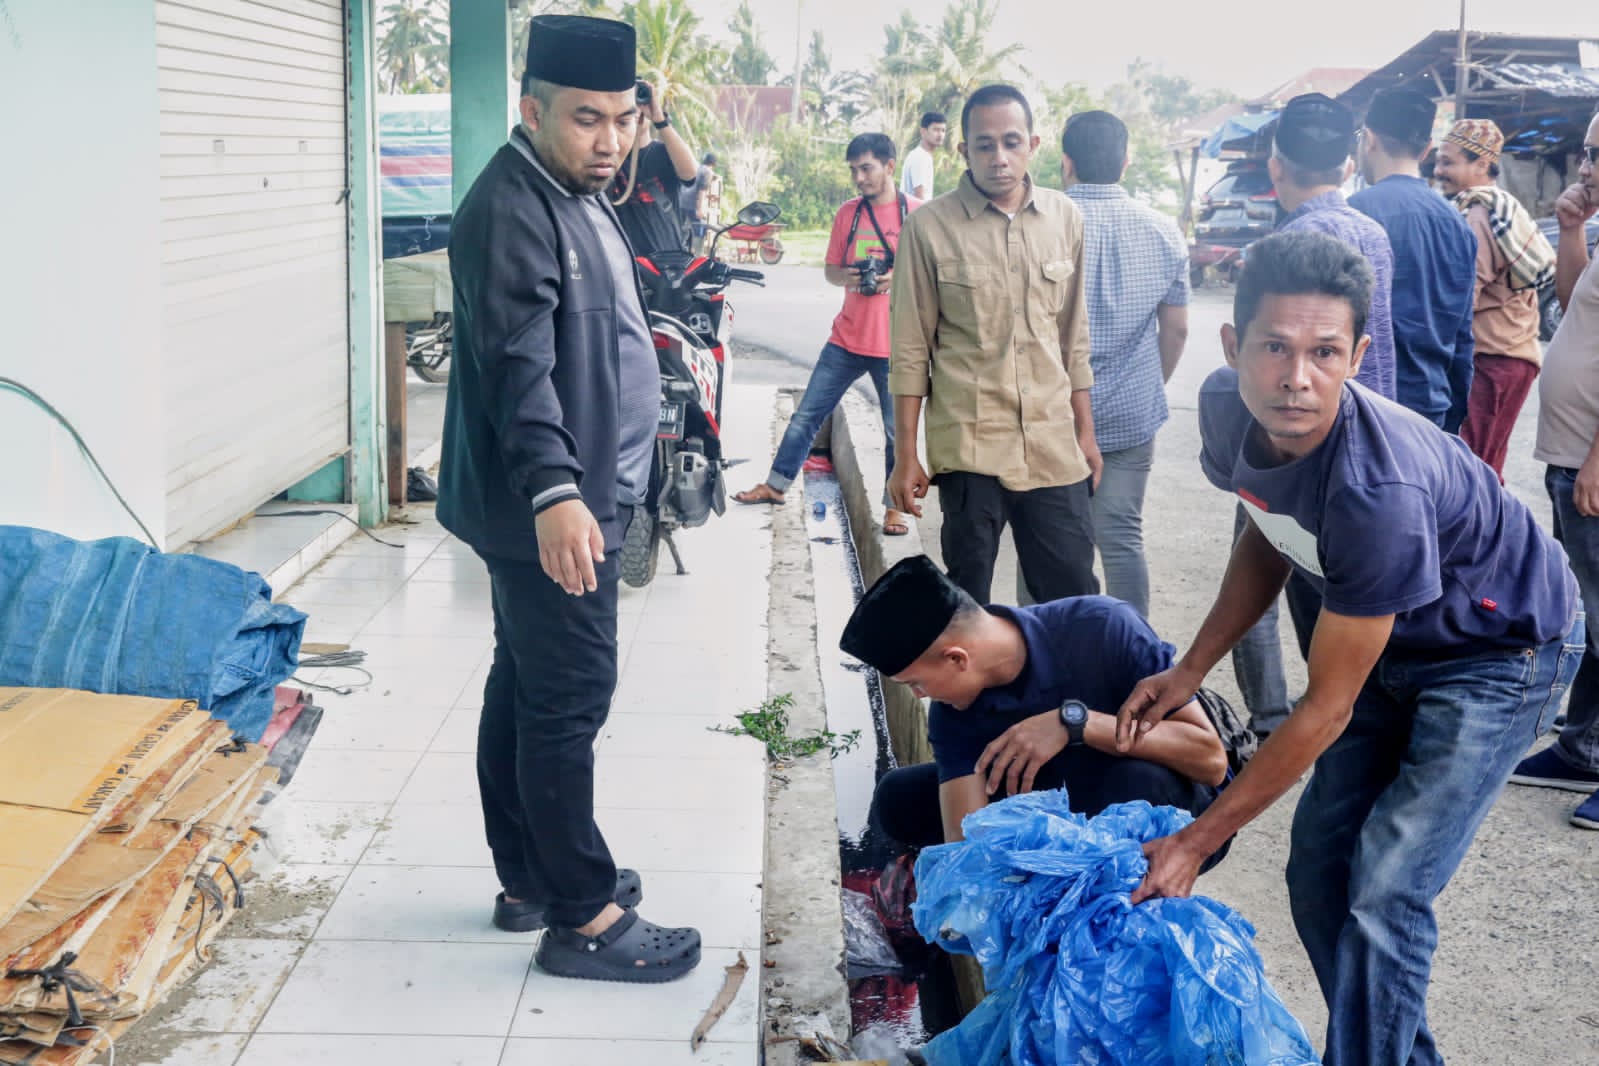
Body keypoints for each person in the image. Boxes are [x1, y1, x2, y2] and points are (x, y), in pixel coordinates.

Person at [1116, 230, 1581, 1066]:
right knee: (1317, 875)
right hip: (1392, 634)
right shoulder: (1228, 408)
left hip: (1497, 653)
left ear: (1359, 355)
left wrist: (1192, 842)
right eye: (1275, 349)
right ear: (1234, 347)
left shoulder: (1377, 488)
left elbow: (1324, 709)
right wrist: (1190, 667)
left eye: (1325, 353)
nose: (1297, 379)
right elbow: (1266, 526)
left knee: (1386, 890)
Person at [437, 14, 701, 983]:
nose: (609, 140)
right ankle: (583, 914)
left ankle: (529, 877)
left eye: (624, 120)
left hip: (576, 497)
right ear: (532, 109)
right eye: (586, 119)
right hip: (554, 507)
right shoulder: (512, 206)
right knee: (567, 699)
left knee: (525, 684)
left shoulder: (573, 188)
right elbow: (519, 367)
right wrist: (555, 490)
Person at [840, 555, 1229, 851]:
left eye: (916, 683)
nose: (920, 696)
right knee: (899, 798)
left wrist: (1075, 724)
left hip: (1170, 808)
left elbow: (1211, 762)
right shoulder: (952, 714)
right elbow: (967, 843)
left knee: (1137, 783)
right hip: (1062, 805)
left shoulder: (1103, 627)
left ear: (957, 658)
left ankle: (1123, 901)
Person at [1226, 91, 1401, 734]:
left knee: (1274, 574)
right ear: (1349, 162)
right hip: (1371, 439)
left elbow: (1274, 370)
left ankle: (1279, 721)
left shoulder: (1288, 248)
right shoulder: (1372, 233)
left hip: (1305, 446)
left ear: (1275, 165)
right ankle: (1343, 716)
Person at [888, 84, 1102, 605]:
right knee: (967, 602)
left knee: (1073, 597)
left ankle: (1068, 690)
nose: (999, 157)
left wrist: (1086, 434)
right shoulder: (927, 228)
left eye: (1011, 142)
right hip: (970, 445)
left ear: (1032, 144)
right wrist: (905, 454)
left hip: (1053, 445)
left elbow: (1073, 335)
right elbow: (910, 349)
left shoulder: (1065, 219)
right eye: (984, 145)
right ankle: (967, 693)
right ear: (964, 151)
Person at [732, 134, 918, 533]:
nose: (859, 178)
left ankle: (894, 509)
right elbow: (831, 271)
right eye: (853, 170)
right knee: (806, 417)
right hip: (846, 339)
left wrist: (893, 279)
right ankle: (777, 484)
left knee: (894, 431)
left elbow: (930, 277)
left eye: (866, 168)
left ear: (889, 165)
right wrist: (850, 276)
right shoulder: (848, 214)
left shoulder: (915, 215)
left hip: (894, 347)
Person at [1059, 110, 1189, 618]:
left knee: (1049, 540)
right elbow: (1175, 330)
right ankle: (1132, 654)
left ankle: (1045, 654)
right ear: (1126, 162)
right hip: (1132, 414)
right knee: (1121, 535)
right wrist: (1148, 385)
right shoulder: (1162, 230)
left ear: (1066, 163)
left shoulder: (1043, 223)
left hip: (1055, 413)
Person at [1515, 112, 1599, 830]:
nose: (1585, 165)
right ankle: (1582, 746)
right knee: (1590, 614)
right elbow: (1573, 306)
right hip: (1568, 454)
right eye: (1586, 151)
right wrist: (1571, 230)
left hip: (1591, 460)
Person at [1350, 87, 1478, 430]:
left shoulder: (1354, 215)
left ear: (1370, 140)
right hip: (1430, 408)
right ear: (1425, 150)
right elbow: (1463, 336)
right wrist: (1452, 419)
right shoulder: (1459, 225)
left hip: (1364, 405)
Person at [1435, 118, 1556, 477]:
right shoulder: (1501, 205)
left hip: (1494, 358)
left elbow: (1463, 297)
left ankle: (1481, 534)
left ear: (1482, 165)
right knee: (1485, 461)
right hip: (1510, 356)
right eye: (1439, 162)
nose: (1440, 171)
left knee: (1474, 468)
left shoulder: (1479, 214)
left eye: (1449, 162)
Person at [608, 78, 700, 256]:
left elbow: (690, 174)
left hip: (667, 264)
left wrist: (658, 116)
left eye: (637, 100)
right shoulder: (608, 153)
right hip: (623, 263)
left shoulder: (664, 152)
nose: (634, 108)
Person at [900, 111, 946, 200]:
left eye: (943, 130)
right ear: (923, 131)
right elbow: (919, 197)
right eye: (936, 130)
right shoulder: (920, 157)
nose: (940, 135)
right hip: (917, 213)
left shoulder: (923, 156)